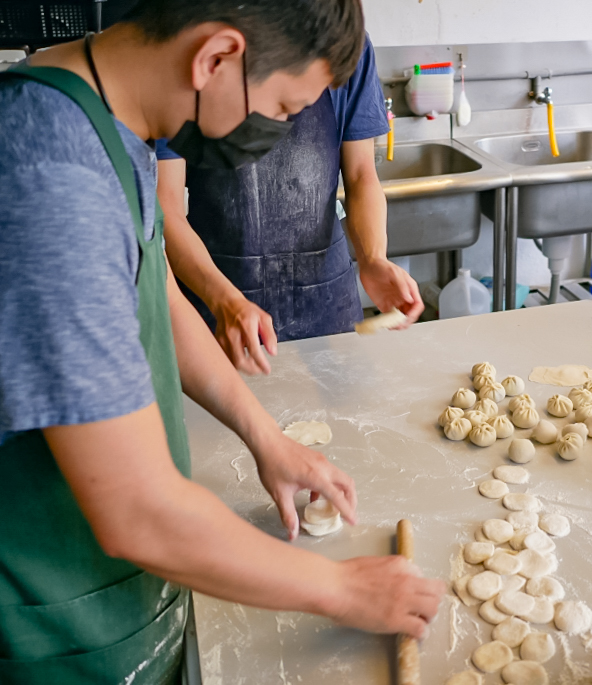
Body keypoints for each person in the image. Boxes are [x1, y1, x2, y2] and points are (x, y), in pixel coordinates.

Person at [0, 2, 443, 681]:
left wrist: (264, 436)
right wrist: (343, 589)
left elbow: (161, 297)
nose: (284, 130)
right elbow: (136, 512)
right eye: (283, 108)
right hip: (63, 628)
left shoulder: (103, 123)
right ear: (215, 59)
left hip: (126, 590)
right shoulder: (52, 179)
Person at [156, 33, 422, 375]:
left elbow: (361, 175)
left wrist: (373, 259)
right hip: (217, 297)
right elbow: (168, 207)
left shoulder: (343, 39)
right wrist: (224, 299)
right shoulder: (195, 43)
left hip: (327, 298)